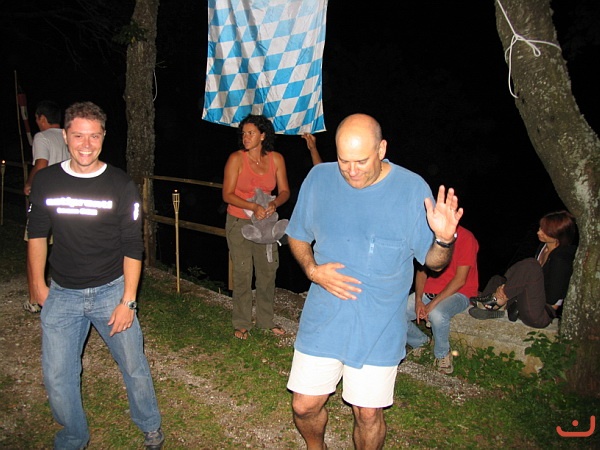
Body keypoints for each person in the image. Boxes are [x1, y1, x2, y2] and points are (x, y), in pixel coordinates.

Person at [285, 113, 462, 449]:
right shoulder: (319, 178)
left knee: (367, 414)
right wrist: (312, 270)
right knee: (303, 406)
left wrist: (443, 239)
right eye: (344, 161)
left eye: (361, 161)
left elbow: (434, 262)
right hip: (324, 315)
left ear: (381, 149)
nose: (351, 171)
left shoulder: (411, 190)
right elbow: (297, 234)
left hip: (379, 323)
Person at [26, 101, 164, 450]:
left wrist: (128, 301)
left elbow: (133, 246)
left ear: (103, 137)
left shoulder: (120, 185)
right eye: (78, 136)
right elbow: (37, 234)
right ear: (65, 136)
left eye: (94, 136)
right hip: (62, 293)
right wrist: (37, 285)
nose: (86, 145)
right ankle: (73, 436)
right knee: (58, 376)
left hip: (110, 291)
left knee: (133, 364)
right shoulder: (47, 181)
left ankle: (150, 424)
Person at [222, 114, 291, 340]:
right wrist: (252, 205)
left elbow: (285, 191)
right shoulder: (236, 159)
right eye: (243, 133)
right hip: (240, 222)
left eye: (251, 133)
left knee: (267, 271)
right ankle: (242, 323)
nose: (246, 137)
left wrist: (274, 204)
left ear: (262, 135)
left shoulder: (276, 159)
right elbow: (227, 194)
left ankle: (265, 320)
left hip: (265, 225)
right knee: (243, 272)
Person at [469, 210, 577, 329]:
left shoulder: (561, 259)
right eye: (540, 228)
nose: (539, 232)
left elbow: (552, 297)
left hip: (541, 313)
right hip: (528, 301)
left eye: (545, 231)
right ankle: (492, 306)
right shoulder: (543, 247)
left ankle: (497, 302)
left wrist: (509, 290)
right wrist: (507, 286)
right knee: (497, 280)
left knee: (531, 265)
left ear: (557, 235)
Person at [406, 225, 479, 375]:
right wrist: (419, 300)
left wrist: (432, 305)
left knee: (437, 314)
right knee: (396, 313)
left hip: (460, 292)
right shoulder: (429, 236)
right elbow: (421, 271)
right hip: (430, 291)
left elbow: (460, 280)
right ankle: (420, 343)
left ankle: (442, 354)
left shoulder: (466, 238)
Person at [23, 100, 70, 313]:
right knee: (65, 247)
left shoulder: (42, 137)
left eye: (36, 118)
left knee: (35, 245)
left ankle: (35, 298)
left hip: (46, 200)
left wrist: (29, 183)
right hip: (67, 199)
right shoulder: (68, 136)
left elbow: (41, 165)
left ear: (42, 118)